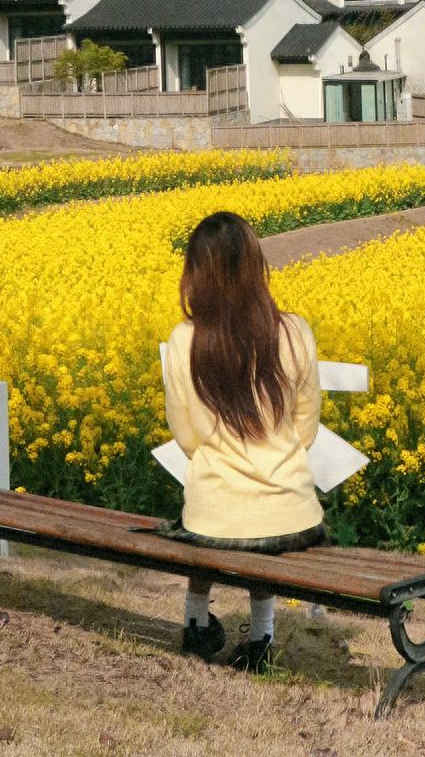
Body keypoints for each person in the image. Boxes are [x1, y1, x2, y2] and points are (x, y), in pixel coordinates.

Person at [163, 209, 325, 672]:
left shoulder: (185, 340)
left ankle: (196, 623)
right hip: (293, 515)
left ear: (196, 274)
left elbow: (186, 437)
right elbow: (306, 429)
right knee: (262, 526)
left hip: (213, 515)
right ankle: (261, 637)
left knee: (206, 511)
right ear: (257, 267)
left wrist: (224, 465)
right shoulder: (295, 332)